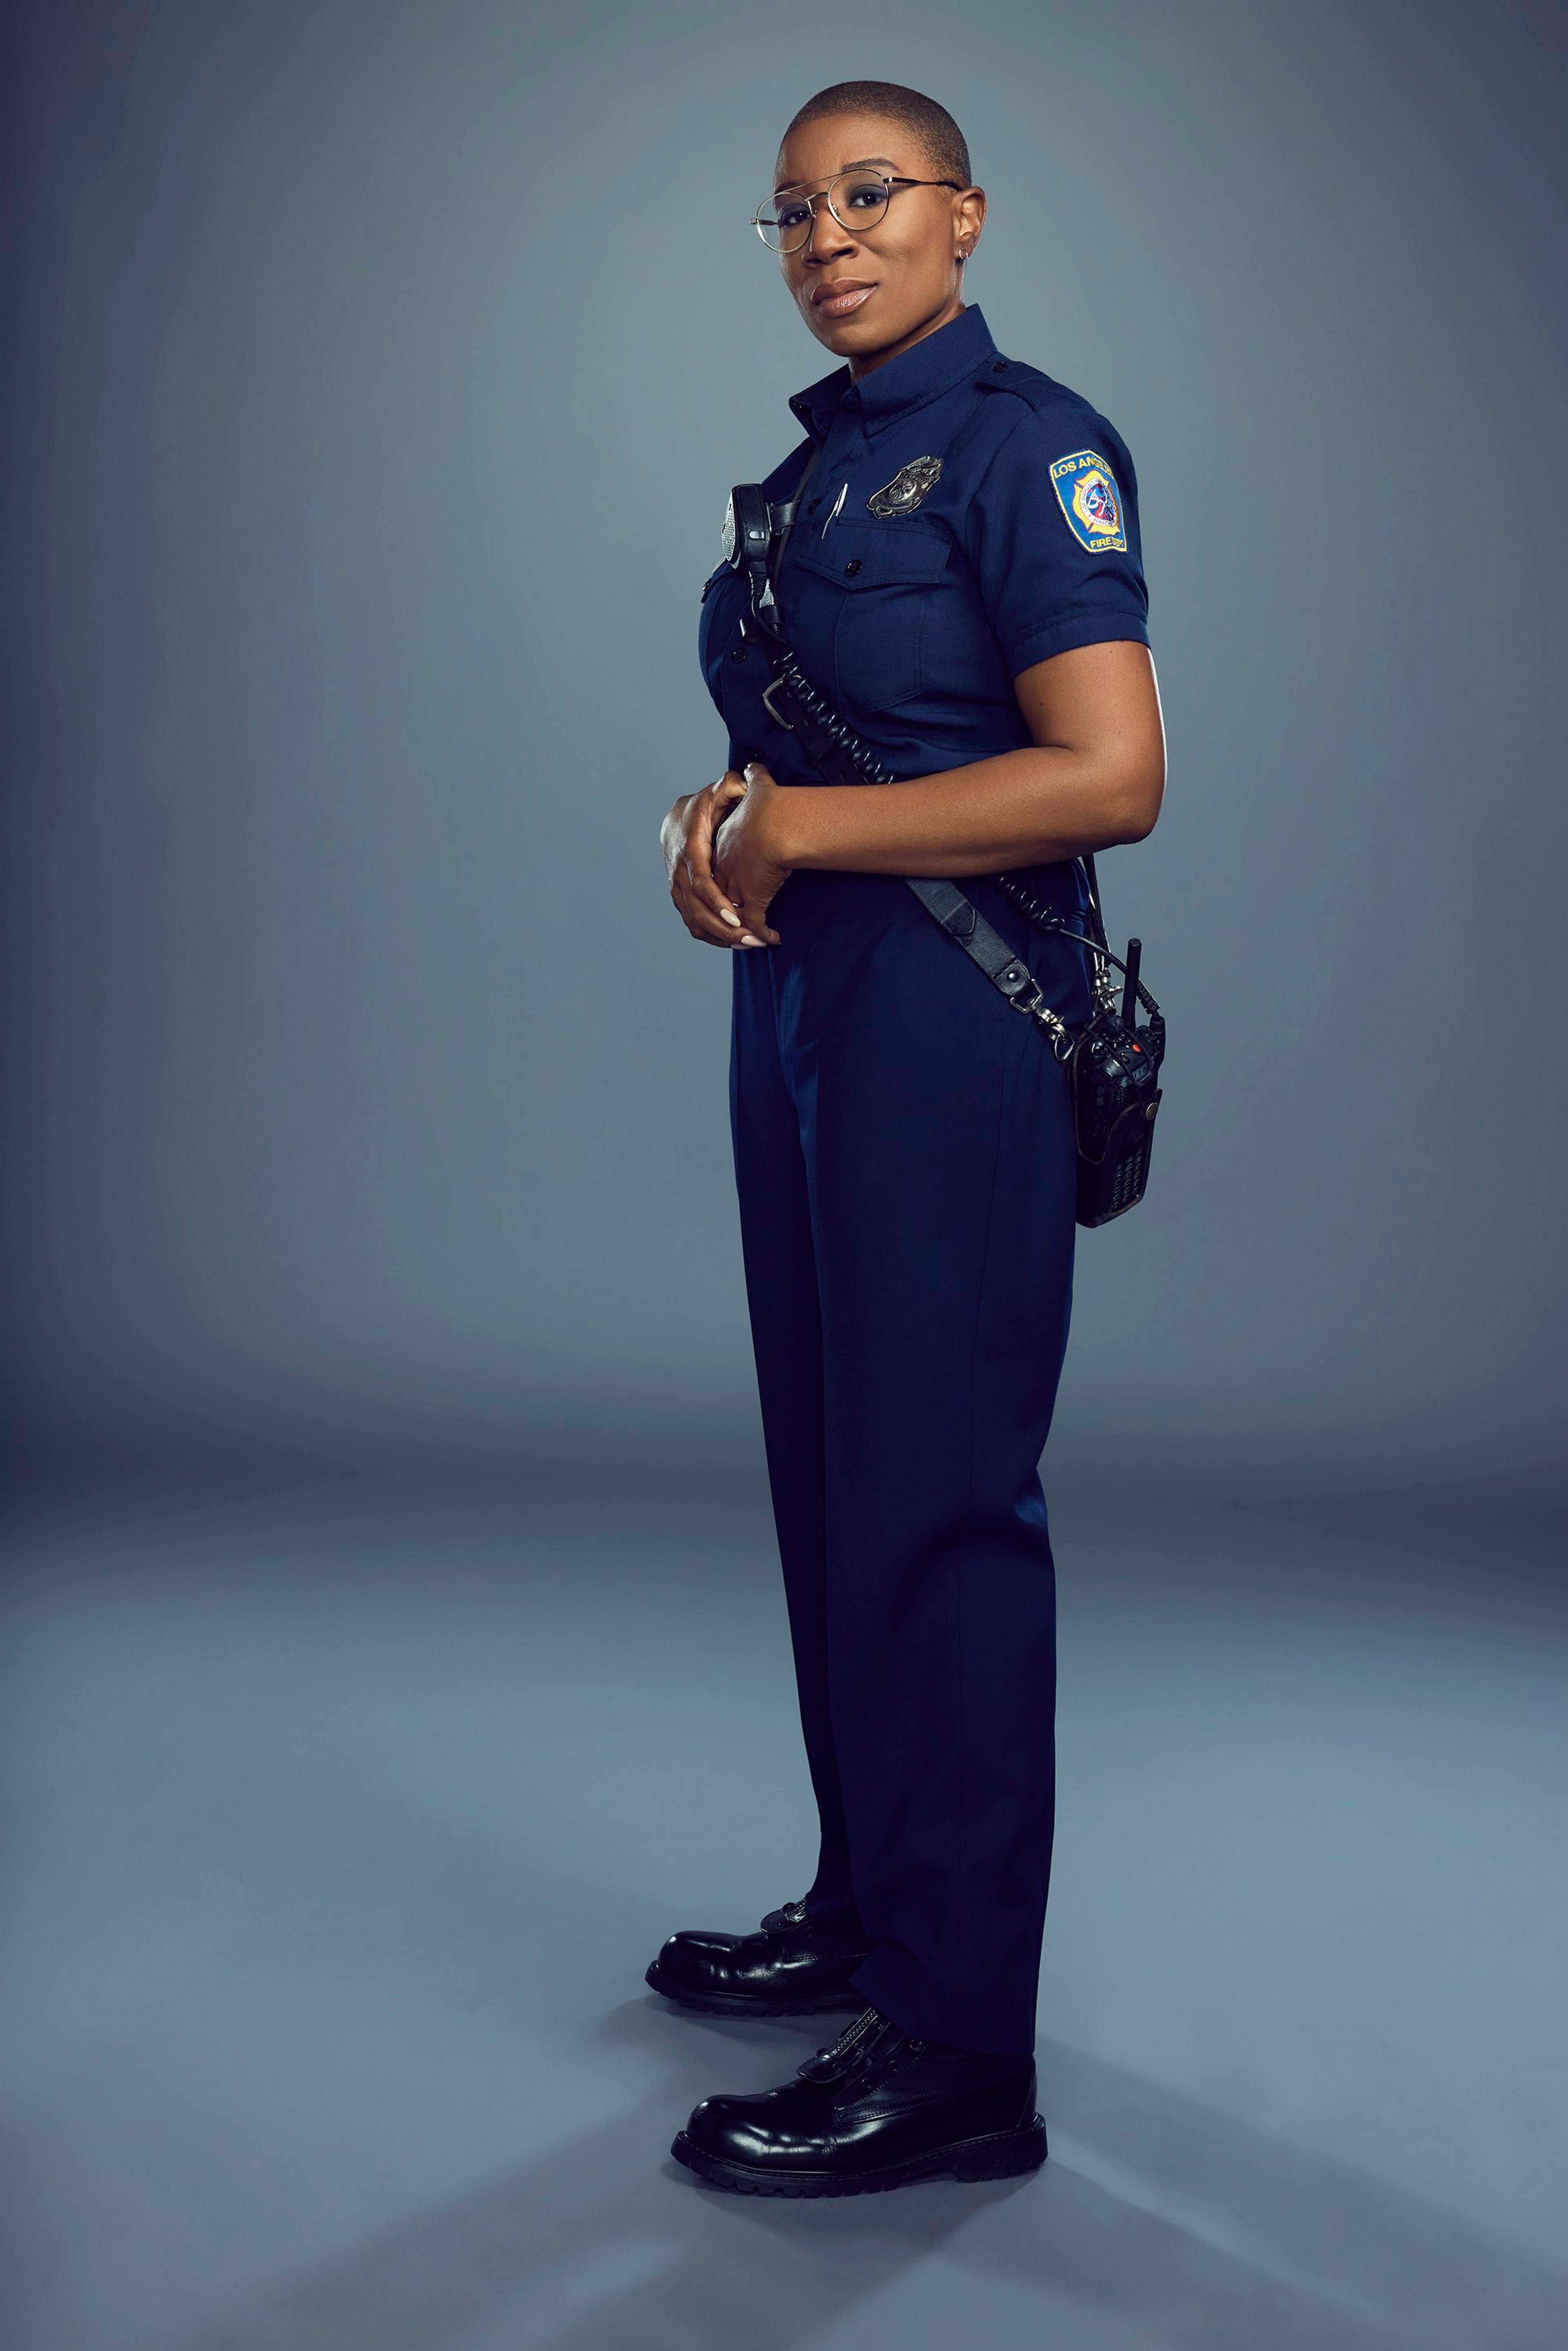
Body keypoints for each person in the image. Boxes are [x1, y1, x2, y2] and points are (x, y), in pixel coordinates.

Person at [654, 80, 1165, 2197]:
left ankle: (959, 2052)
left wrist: (809, 831)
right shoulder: (811, 473)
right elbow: (794, 754)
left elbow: (1109, 772)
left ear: (964, 212)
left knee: (940, 1500)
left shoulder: (1032, 450)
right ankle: (877, 1906)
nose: (830, 234)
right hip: (808, 1005)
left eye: (869, 194)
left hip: (959, 1019)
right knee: (832, 1474)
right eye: (793, 210)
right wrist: (717, 847)